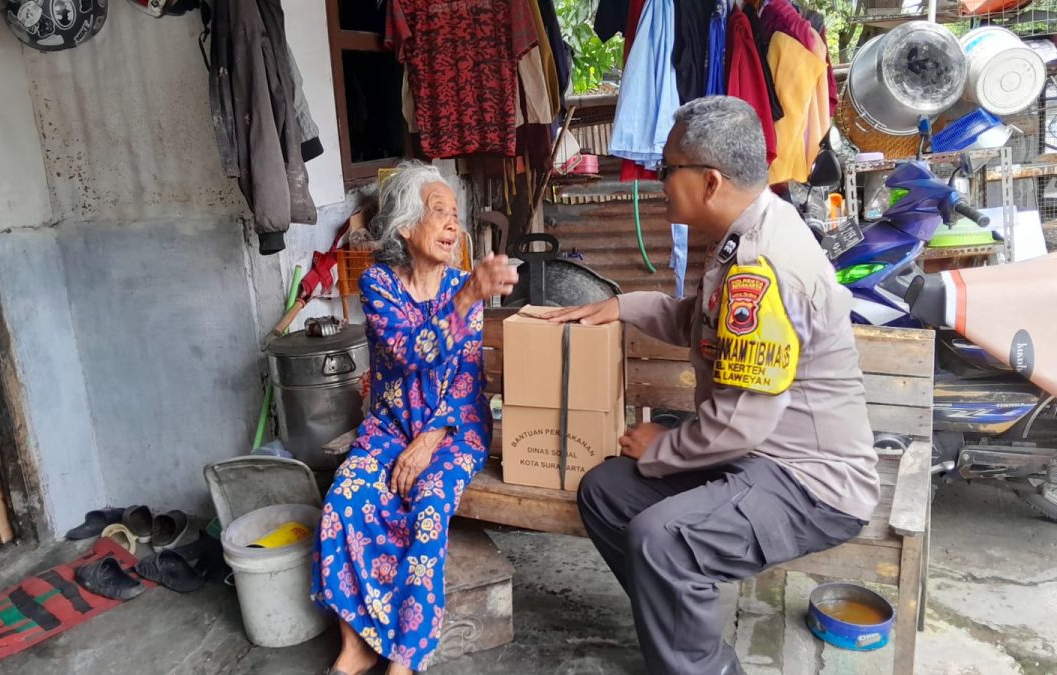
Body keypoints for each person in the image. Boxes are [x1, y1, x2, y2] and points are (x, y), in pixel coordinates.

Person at [545, 96, 880, 674]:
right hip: (752, 454)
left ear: (708, 181)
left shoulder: (764, 265)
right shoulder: (740, 238)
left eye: (665, 169)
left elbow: (738, 422)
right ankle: (682, 636)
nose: (658, 182)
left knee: (661, 538)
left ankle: (701, 664)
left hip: (810, 481)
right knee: (605, 492)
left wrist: (662, 448)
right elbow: (697, 322)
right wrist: (619, 305)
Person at [313, 161, 518, 675]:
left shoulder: (460, 288)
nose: (454, 224)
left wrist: (430, 438)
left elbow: (468, 382)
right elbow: (409, 352)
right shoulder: (379, 284)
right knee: (344, 500)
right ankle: (356, 644)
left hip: (453, 429)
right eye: (439, 212)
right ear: (406, 226)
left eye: (456, 214)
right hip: (387, 427)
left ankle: (404, 658)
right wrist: (471, 292)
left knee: (427, 510)